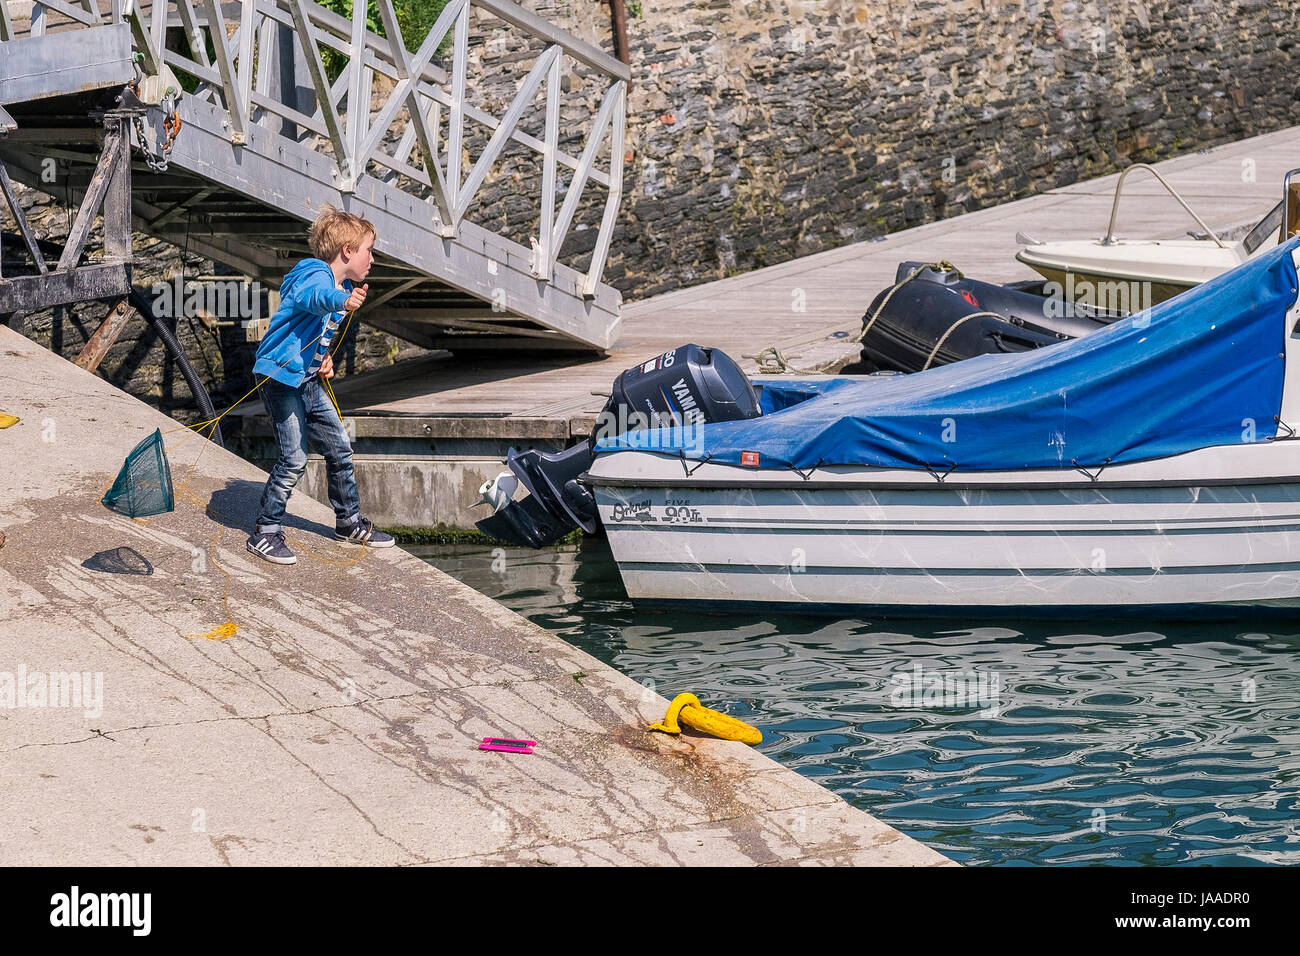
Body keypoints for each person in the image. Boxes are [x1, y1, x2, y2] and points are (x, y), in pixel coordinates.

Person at [245, 205, 395, 565]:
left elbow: (314, 333)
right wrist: (342, 299)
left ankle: (348, 522)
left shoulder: (340, 287)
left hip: (307, 379)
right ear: (347, 251)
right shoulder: (313, 273)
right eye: (368, 250)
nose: (372, 259)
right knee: (294, 458)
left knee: (340, 446)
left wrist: (321, 360)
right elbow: (311, 299)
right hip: (280, 379)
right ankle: (265, 532)